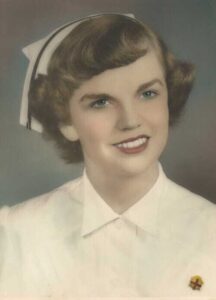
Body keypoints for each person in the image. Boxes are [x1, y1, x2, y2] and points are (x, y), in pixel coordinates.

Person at [0, 13, 215, 297]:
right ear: (66, 121)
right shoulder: (17, 234)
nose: (130, 120)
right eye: (101, 102)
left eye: (148, 94)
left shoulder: (209, 231)